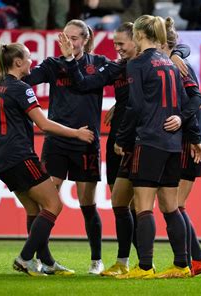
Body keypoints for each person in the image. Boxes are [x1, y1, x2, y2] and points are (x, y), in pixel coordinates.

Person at [0, 43, 94, 276]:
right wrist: (76, 133)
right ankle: (25, 258)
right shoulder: (21, 88)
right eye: (28, 58)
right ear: (18, 63)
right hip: (20, 156)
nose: (32, 62)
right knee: (54, 205)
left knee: (34, 209)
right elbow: (43, 124)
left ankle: (47, 262)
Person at [114, 15, 201, 279]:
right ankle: (182, 264)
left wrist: (123, 138)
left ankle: (144, 268)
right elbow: (190, 100)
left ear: (139, 35)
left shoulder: (138, 64)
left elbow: (136, 106)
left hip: (149, 140)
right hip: (173, 144)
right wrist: (185, 124)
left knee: (142, 206)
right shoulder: (171, 64)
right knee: (170, 206)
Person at [22, 19, 108, 274]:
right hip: (57, 143)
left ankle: (96, 260)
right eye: (65, 37)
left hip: (86, 143)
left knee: (87, 204)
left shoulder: (99, 65)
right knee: (45, 203)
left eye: (75, 38)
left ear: (86, 40)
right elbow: (24, 81)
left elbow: (101, 84)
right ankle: (43, 260)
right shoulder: (52, 65)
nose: (69, 42)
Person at [57, 22, 139, 276]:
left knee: (141, 205)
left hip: (137, 139)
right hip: (116, 138)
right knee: (120, 203)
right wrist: (120, 105)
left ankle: (142, 262)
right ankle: (126, 263)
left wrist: (179, 52)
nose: (117, 48)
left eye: (121, 43)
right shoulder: (116, 67)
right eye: (114, 44)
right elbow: (84, 84)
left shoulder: (148, 64)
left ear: (137, 41)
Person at [163, 17, 201, 277]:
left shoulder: (179, 66)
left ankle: (191, 261)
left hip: (190, 140)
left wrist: (193, 137)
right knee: (174, 205)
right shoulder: (171, 61)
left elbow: (195, 102)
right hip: (186, 138)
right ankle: (197, 259)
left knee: (175, 205)